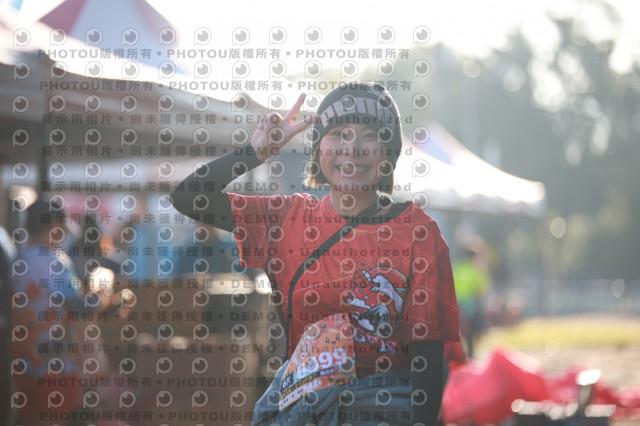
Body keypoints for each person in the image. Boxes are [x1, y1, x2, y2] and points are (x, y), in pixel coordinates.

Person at [171, 82, 459, 425]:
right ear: (319, 148)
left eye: (369, 135)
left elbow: (428, 358)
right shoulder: (287, 220)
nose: (352, 148)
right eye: (338, 134)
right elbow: (189, 197)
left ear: (388, 153)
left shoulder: (418, 233)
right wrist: (255, 152)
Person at [9, 197, 86, 425]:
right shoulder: (57, 262)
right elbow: (77, 306)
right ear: (54, 224)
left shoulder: (18, 259)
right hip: (56, 364)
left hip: (21, 361)